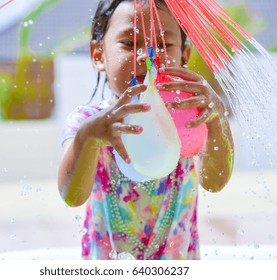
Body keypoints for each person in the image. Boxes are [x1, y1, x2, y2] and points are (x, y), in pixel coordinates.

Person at [58, 0, 234, 260]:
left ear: (183, 56)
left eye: (163, 45)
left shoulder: (190, 117)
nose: (148, 56)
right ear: (99, 55)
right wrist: (88, 139)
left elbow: (215, 182)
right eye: (130, 44)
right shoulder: (89, 122)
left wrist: (216, 121)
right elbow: (72, 196)